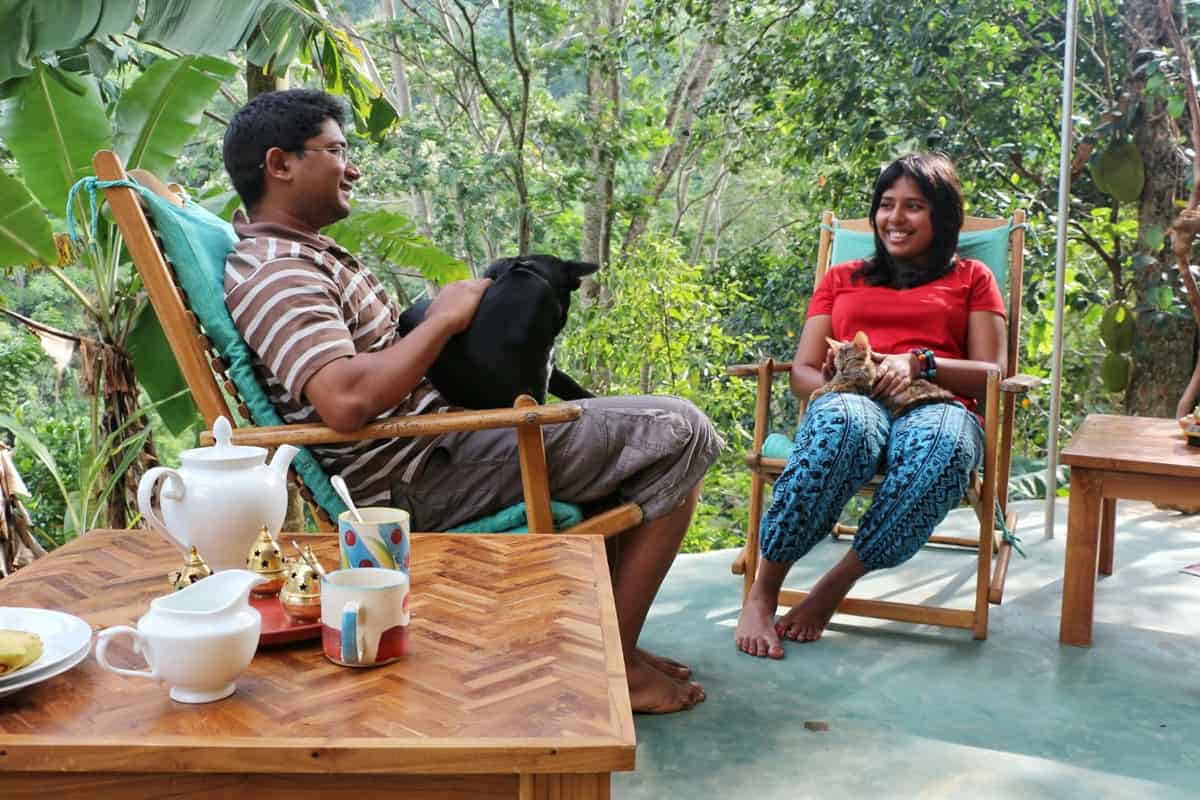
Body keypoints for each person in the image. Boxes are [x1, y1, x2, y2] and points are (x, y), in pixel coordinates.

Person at [221, 89, 722, 712]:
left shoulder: (304, 256)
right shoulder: (277, 270)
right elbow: (344, 402)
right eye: (337, 151)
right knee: (681, 431)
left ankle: (608, 641)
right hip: (419, 475)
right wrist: (443, 322)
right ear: (280, 164)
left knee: (648, 436)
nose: (352, 168)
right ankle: (612, 663)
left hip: (442, 448)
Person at [734, 153, 1006, 659]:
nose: (895, 219)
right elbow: (803, 371)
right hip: (853, 397)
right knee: (841, 427)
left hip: (938, 401)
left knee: (941, 451)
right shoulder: (843, 278)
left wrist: (921, 363)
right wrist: (838, 385)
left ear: (942, 216)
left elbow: (993, 374)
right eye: (886, 205)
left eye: (913, 207)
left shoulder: (972, 277)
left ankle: (830, 589)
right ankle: (763, 593)